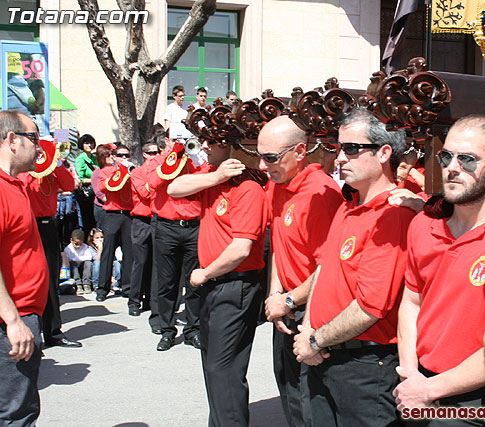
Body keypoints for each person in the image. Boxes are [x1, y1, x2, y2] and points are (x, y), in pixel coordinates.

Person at [393, 116, 485, 426]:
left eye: (468, 159)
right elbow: (411, 302)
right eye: (447, 156)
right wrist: (410, 375)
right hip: (419, 383)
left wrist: (429, 389)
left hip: (478, 397)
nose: (452, 167)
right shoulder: (424, 224)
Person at [293, 108, 416, 426]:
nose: (339, 158)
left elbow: (371, 307)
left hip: (364, 366)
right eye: (338, 148)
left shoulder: (395, 214)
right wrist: (308, 328)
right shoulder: (349, 207)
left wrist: (315, 340)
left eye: (350, 148)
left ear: (384, 153)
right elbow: (323, 270)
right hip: (325, 353)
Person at [168, 140, 269, 427]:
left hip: (235, 285)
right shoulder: (214, 178)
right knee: (213, 369)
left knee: (223, 370)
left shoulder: (248, 188)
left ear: (233, 147)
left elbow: (241, 249)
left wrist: (206, 273)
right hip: (213, 285)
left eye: (214, 142)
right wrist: (215, 177)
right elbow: (174, 188)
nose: (205, 147)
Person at [259, 116, 344, 426]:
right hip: (286, 307)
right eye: (260, 155)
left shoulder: (320, 194)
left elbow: (328, 266)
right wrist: (274, 295)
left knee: (312, 403)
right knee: (289, 392)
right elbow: (281, 245)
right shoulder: (277, 184)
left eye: (270, 157)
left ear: (299, 151)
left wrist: (290, 300)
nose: (263, 164)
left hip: (314, 312)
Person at [0, 110, 49, 425]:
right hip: (11, 323)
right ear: (12, 140)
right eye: (34, 138)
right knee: (16, 414)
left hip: (21, 315)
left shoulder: (14, 184)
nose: (40, 147)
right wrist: (14, 320)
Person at [18, 137, 82, 349]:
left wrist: (58, 163)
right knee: (26, 281)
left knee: (50, 281)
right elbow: (23, 186)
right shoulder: (23, 170)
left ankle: (53, 332)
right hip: (27, 225)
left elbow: (68, 185)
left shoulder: (53, 169)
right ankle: (30, 333)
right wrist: (35, 168)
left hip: (48, 226)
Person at [147, 135, 207, 351]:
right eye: (176, 140)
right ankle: (167, 330)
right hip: (167, 227)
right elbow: (152, 183)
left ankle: (193, 330)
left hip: (193, 227)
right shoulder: (161, 161)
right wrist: (172, 159)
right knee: (167, 283)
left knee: (194, 282)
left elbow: (207, 178)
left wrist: (194, 157)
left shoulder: (196, 161)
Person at [95, 144, 133, 302]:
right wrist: (120, 171)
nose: (124, 158)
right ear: (114, 157)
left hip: (128, 214)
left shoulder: (133, 171)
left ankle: (127, 286)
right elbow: (103, 187)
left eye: (126, 155)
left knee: (129, 253)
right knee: (107, 252)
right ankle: (102, 288)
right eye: (121, 156)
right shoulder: (106, 171)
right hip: (112, 214)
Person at [127, 141, 160, 316]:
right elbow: (146, 193)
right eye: (152, 153)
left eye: (158, 153)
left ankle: (150, 300)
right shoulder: (137, 173)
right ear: (145, 154)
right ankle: (134, 301)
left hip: (156, 219)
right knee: (140, 262)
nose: (156, 156)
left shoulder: (160, 171)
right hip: (141, 220)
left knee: (155, 263)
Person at [74, 134, 98, 233]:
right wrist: (93, 179)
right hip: (86, 194)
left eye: (91, 143)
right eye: (86, 143)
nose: (89, 145)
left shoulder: (94, 158)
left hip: (95, 193)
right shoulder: (80, 159)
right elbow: (79, 179)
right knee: (87, 219)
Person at [63, 229, 96, 295]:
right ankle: (78, 285)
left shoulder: (86, 247)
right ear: (71, 240)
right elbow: (69, 260)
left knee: (88, 263)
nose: (78, 246)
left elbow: (88, 257)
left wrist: (76, 259)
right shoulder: (68, 249)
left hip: (83, 267)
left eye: (80, 244)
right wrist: (78, 259)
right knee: (72, 264)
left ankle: (87, 284)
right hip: (73, 268)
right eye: (76, 244)